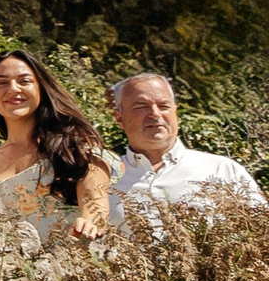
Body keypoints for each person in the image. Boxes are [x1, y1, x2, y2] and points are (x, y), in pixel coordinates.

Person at [0, 49, 115, 247]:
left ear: (41, 88)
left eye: (24, 81)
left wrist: (88, 223)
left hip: (73, 266)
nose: (13, 89)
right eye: (2, 82)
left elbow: (95, 204)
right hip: (10, 274)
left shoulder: (74, 147)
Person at [108, 72, 267, 218]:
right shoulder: (104, 177)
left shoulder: (221, 170)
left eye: (164, 106)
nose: (155, 114)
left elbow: (261, 232)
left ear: (175, 112)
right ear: (119, 118)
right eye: (141, 107)